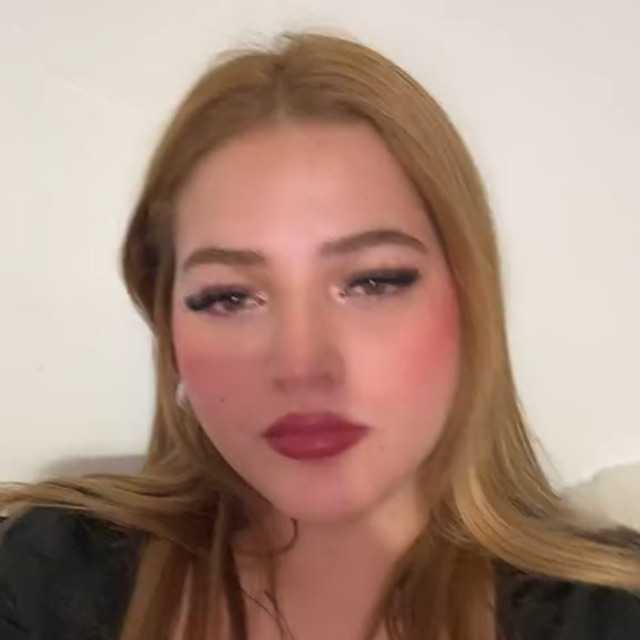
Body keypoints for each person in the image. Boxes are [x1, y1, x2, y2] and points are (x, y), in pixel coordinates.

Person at [0, 30, 639, 640]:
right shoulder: (46, 575)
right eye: (228, 297)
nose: (302, 365)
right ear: (168, 333)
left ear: (470, 298)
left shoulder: (614, 614)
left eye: (374, 282)